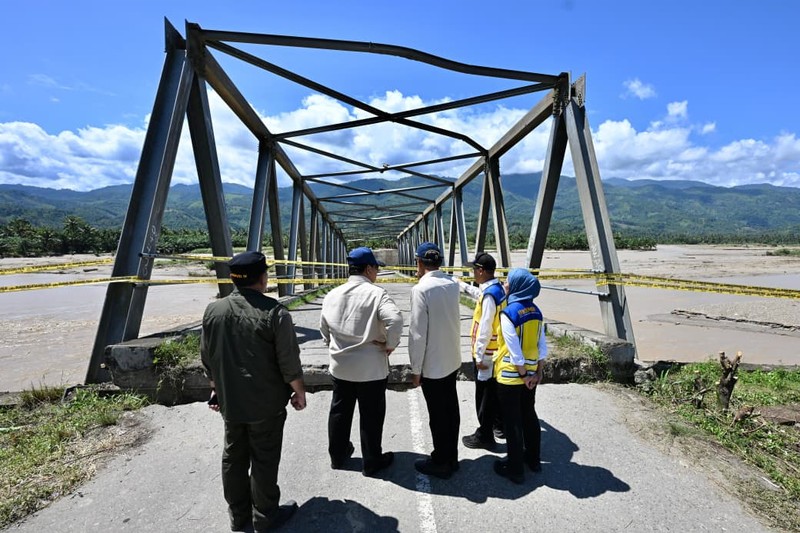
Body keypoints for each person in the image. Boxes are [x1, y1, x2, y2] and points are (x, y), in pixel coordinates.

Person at [201, 251, 306, 532]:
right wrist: (299, 392)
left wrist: (215, 391)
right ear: (263, 277)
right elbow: (289, 361)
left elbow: (208, 358)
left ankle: (238, 515)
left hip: (231, 402)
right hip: (265, 403)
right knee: (264, 458)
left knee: (233, 457)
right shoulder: (275, 312)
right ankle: (265, 516)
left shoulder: (213, 310)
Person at [320, 246, 404, 477]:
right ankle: (372, 461)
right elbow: (395, 319)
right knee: (371, 415)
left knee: (339, 411)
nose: (377, 272)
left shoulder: (332, 295)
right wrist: (389, 344)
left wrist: (333, 343)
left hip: (341, 366)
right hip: (371, 368)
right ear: (368, 268)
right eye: (376, 268)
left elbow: (324, 329)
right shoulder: (377, 294)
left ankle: (337, 456)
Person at [408, 242, 462, 479]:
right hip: (451, 359)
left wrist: (416, 369)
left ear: (419, 262)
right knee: (451, 410)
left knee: (437, 415)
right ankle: (453, 456)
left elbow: (417, 334)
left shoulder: (421, 290)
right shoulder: (452, 284)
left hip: (433, 365)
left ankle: (441, 461)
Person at [492, 268, 547, 484]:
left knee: (512, 421)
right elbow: (541, 345)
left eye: (508, 281)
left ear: (517, 286)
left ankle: (514, 468)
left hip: (511, 375)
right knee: (529, 416)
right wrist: (537, 373)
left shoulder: (509, 312)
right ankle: (533, 460)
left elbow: (514, 350)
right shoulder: (536, 312)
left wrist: (522, 375)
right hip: (532, 374)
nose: (505, 285)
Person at [457, 252, 506, 450]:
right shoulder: (498, 289)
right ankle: (499, 426)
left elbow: (484, 327)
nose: (472, 273)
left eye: (473, 270)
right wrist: (461, 285)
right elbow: (480, 295)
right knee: (494, 391)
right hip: (497, 351)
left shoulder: (489, 296)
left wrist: (478, 356)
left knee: (484, 395)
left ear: (480, 271)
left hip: (486, 353)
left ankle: (484, 435)